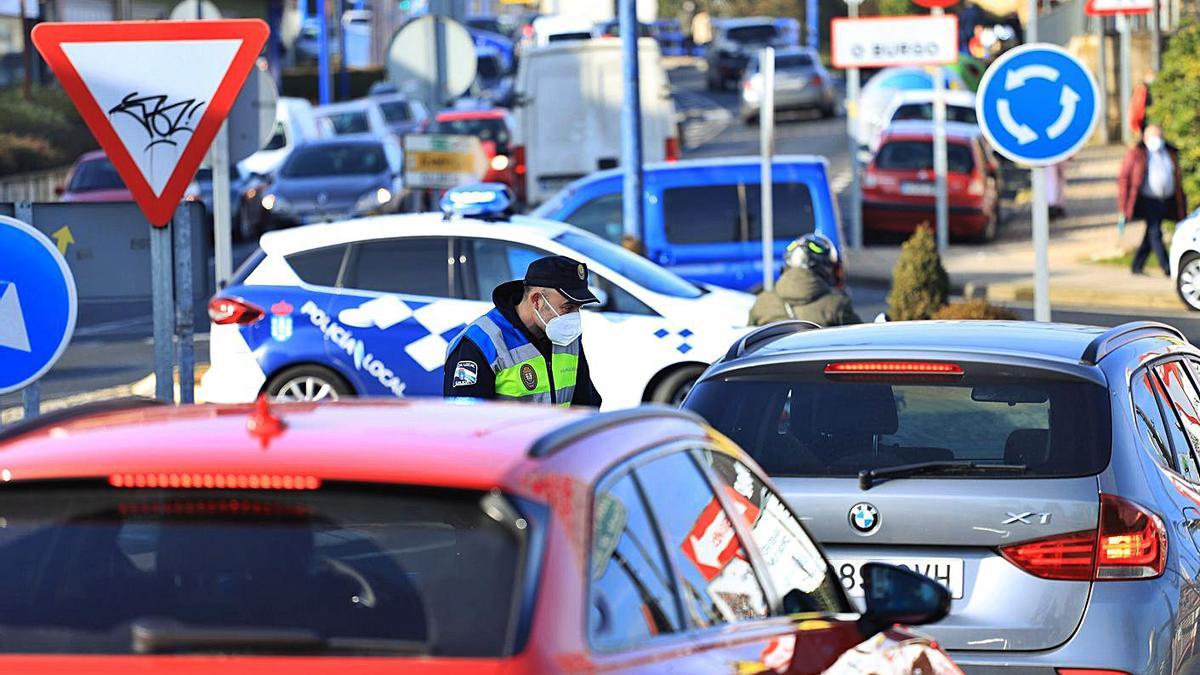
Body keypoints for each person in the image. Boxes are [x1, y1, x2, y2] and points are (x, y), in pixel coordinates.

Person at [444, 255, 603, 406]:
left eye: (578, 308)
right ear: (536, 300)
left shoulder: (566, 336)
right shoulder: (479, 344)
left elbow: (586, 406)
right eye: (567, 307)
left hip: (557, 436)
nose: (574, 317)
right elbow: (465, 424)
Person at [1118, 124, 1188, 276]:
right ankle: (1167, 267)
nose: (1157, 140)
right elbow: (1124, 179)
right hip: (1148, 200)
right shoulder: (1137, 154)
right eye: (1153, 136)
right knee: (1155, 232)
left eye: (1159, 136)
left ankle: (1137, 265)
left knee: (1150, 234)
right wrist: (1124, 206)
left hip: (1166, 199)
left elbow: (1176, 176)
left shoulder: (1169, 153)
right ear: (1145, 138)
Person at [748, 234, 861, 327]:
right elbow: (860, 343)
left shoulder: (762, 302)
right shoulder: (837, 305)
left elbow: (746, 347)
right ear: (825, 270)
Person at [1130, 70, 1155, 137]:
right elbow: (1137, 106)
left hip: (1149, 118)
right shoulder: (1141, 89)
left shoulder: (1152, 89)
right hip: (1143, 119)